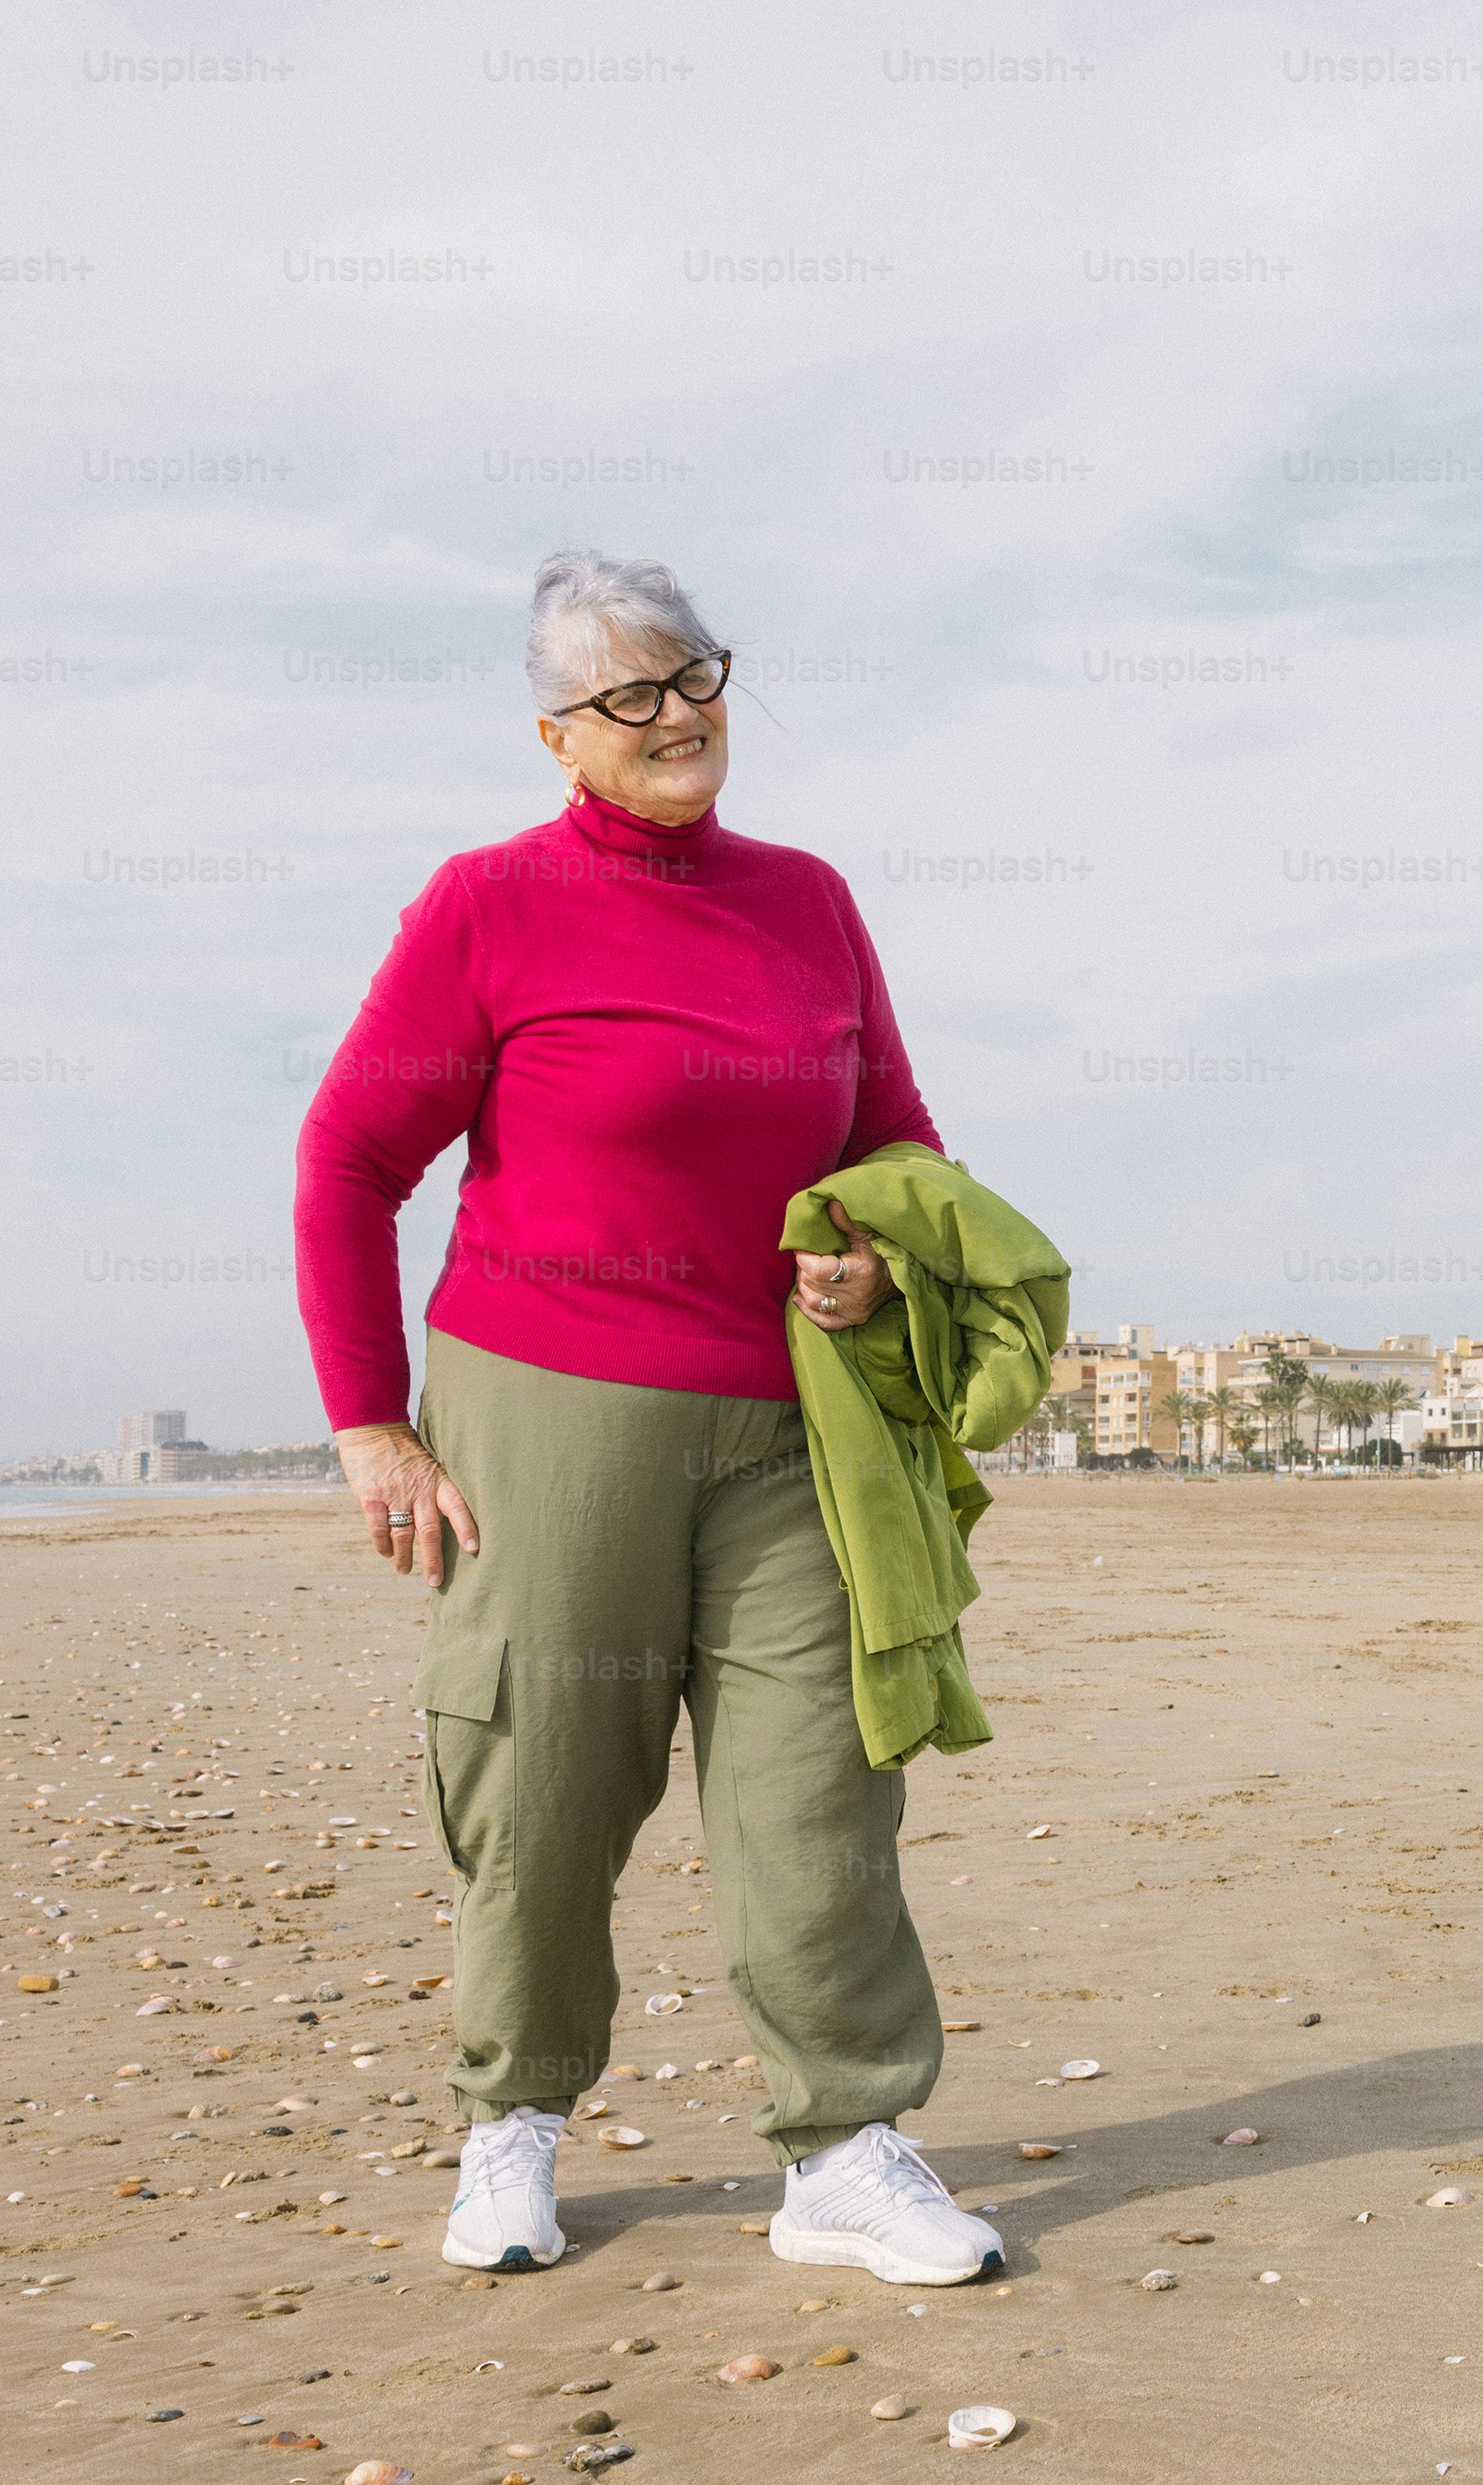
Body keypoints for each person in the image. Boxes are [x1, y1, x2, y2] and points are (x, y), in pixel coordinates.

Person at [293, 550, 1001, 2288]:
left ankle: (842, 2149)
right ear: (557, 736)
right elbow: (349, 1160)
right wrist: (370, 1423)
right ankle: (511, 2127)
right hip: (553, 1410)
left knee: (817, 1791)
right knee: (541, 1781)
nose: (679, 714)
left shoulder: (812, 901)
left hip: (787, 1427)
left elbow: (898, 1140)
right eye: (631, 694)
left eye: (696, 676)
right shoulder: (487, 905)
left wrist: (869, 1262)